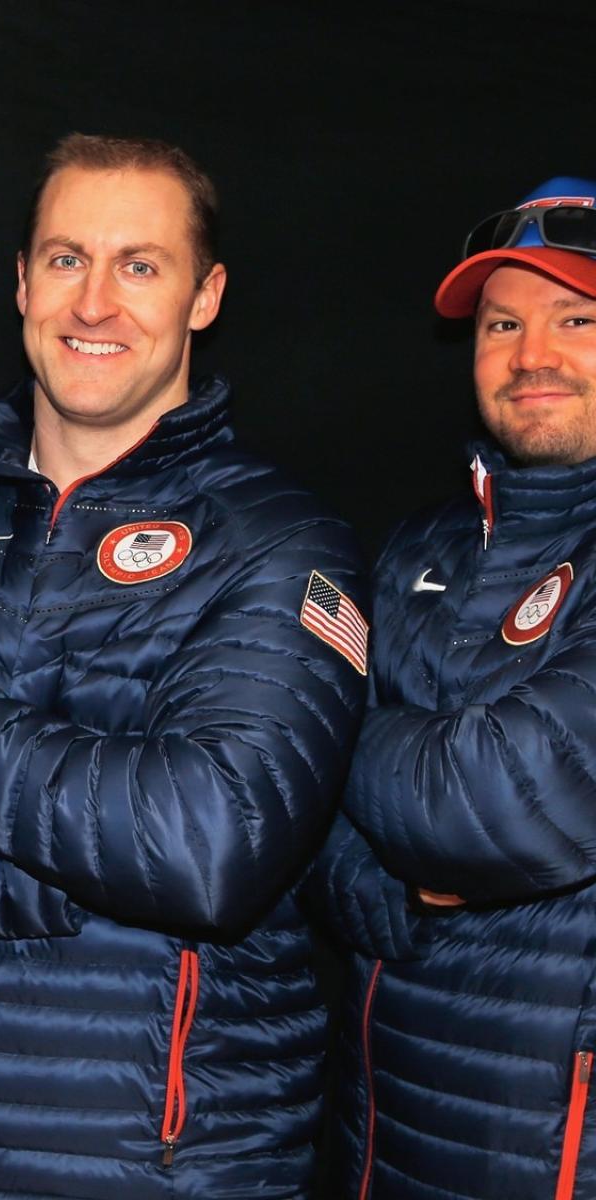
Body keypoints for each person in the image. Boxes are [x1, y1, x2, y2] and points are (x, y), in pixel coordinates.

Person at [0, 134, 368, 1198]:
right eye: (66, 259)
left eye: (139, 265)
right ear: (21, 281)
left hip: (145, 1164)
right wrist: (44, 875)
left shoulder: (282, 544)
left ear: (204, 296)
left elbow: (206, 846)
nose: (94, 302)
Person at [310, 177, 596, 1200]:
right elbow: (283, 807)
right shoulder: (418, 547)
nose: (531, 355)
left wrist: (340, 747)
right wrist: (366, 869)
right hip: (384, 1131)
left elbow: (495, 801)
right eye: (501, 324)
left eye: (576, 319)